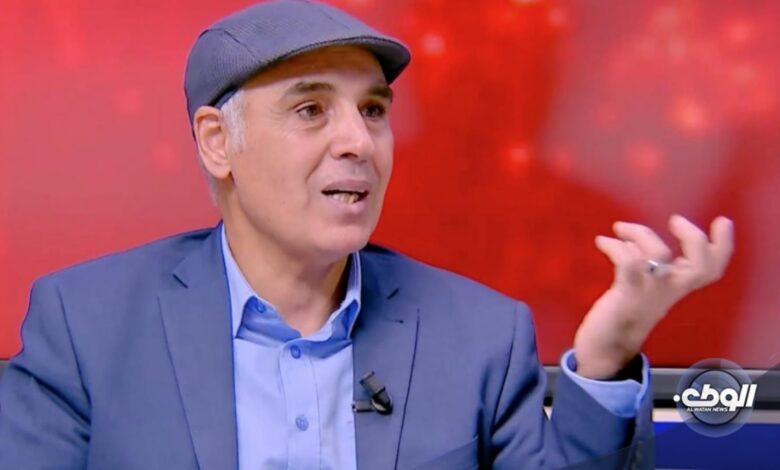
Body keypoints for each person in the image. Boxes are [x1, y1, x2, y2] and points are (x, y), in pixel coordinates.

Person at [0, 1, 733, 469]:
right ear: (219, 142)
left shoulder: (481, 335)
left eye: (374, 110)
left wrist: (606, 358)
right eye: (311, 110)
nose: (359, 141)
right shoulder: (86, 328)